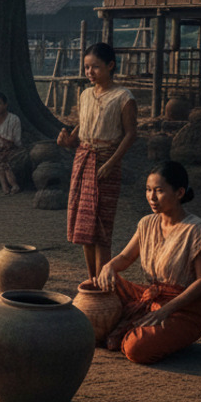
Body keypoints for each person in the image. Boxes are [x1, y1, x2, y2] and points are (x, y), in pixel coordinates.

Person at [97, 162, 201, 364]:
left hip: (185, 309)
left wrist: (165, 310)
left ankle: (143, 331)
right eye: (148, 190)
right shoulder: (147, 223)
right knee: (99, 284)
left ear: (179, 193)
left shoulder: (197, 231)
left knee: (135, 349)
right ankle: (138, 325)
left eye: (159, 191)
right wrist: (108, 267)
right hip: (152, 295)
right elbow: (126, 258)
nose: (151, 197)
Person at [58, 42, 137, 281]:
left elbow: (131, 133)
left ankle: (104, 282)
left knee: (101, 228)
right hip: (83, 160)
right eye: (86, 67)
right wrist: (67, 140)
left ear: (110, 66)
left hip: (106, 162)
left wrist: (112, 163)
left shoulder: (123, 97)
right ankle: (91, 278)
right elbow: (81, 129)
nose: (90, 72)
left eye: (95, 67)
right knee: (84, 227)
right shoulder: (84, 95)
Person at [0, 92, 21, 195]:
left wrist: (5, 144)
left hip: (11, 150)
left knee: (3, 164)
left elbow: (17, 141)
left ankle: (10, 186)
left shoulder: (14, 119)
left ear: (5, 105)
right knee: (0, 162)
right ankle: (8, 186)